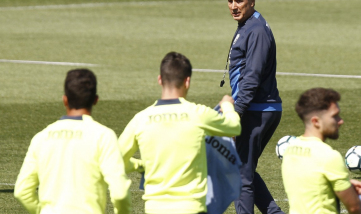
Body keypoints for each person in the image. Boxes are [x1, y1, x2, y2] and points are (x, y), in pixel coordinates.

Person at [118, 52, 241, 214]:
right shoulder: (198, 114)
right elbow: (234, 127)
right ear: (187, 81)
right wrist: (227, 105)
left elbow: (115, 159)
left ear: (160, 80)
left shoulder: (140, 119)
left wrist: (139, 165)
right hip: (191, 208)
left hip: (154, 208)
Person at [14, 69, 132, 214]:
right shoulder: (103, 136)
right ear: (95, 100)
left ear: (65, 99)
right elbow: (120, 193)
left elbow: (21, 191)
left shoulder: (41, 137)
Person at [224, 0, 283, 214]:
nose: (234, 6)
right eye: (229, 1)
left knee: (240, 174)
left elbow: (253, 76)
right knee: (244, 168)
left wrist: (237, 112)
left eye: (239, 1)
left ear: (252, 1)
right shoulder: (250, 25)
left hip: (256, 110)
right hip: (259, 108)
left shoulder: (256, 30)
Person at [282, 87, 361, 214]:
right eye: (335, 116)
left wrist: (343, 184)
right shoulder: (329, 156)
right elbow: (355, 208)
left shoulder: (290, 149)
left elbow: (308, 182)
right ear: (316, 121)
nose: (341, 121)